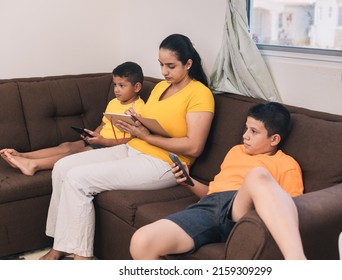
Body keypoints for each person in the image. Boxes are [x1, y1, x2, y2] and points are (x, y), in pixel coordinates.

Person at [40, 33, 215, 260]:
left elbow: (193, 147)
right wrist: (136, 122)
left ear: (188, 64)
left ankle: (82, 259)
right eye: (161, 64)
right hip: (134, 147)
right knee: (63, 167)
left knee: (78, 180)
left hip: (164, 163)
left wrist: (146, 135)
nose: (164, 72)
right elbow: (154, 124)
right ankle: (59, 246)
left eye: (171, 66)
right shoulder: (161, 87)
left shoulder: (200, 94)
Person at [130, 102, 307, 260]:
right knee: (141, 241)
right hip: (209, 208)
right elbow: (213, 193)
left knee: (258, 175)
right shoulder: (236, 151)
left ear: (274, 139)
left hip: (244, 209)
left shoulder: (286, 164)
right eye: (246, 129)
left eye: (254, 132)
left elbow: (290, 208)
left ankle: (297, 263)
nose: (245, 136)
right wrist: (188, 180)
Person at [0, 61, 145, 176]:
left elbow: (135, 140)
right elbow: (103, 123)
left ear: (137, 87)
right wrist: (93, 134)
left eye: (122, 85)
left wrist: (104, 141)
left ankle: (33, 166)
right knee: (66, 146)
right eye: (115, 85)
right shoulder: (113, 102)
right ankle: (23, 155)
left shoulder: (139, 108)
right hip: (100, 141)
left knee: (73, 153)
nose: (116, 89)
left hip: (113, 148)